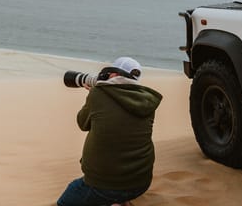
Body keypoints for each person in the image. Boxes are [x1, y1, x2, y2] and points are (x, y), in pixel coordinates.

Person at [57, 57, 163, 206]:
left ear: (113, 75)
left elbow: (83, 123)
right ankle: (119, 201)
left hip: (102, 186)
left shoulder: (98, 95)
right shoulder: (146, 101)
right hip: (140, 183)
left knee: (64, 202)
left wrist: (93, 93)